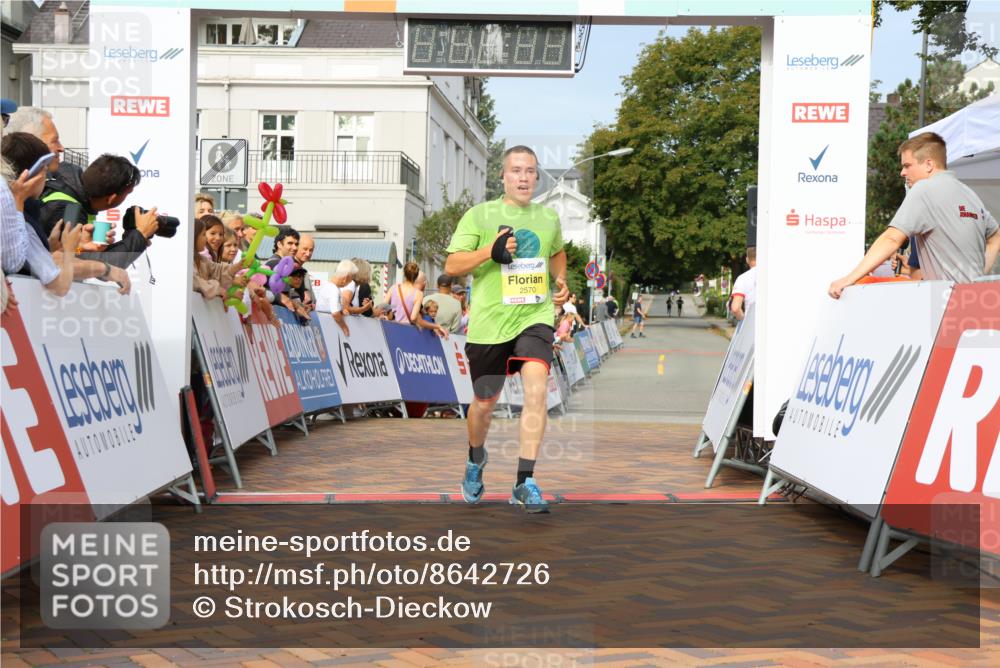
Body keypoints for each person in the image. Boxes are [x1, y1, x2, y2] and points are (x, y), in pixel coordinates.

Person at [444, 144, 569, 513]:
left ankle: (524, 481)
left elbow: (556, 252)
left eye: (530, 171)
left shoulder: (548, 218)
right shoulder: (479, 215)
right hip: (490, 324)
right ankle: (475, 458)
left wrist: (560, 279)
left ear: (537, 176)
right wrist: (490, 250)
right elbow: (452, 266)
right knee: (484, 405)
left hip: (534, 316)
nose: (523, 178)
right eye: (516, 170)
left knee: (537, 391)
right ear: (502, 176)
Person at [829, 132, 1000, 298]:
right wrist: (978, 275)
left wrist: (849, 279)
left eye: (907, 165)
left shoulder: (924, 189)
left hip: (946, 302)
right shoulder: (970, 194)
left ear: (928, 165)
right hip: (975, 299)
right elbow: (996, 236)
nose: (902, 173)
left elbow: (891, 239)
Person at [39, 153, 158, 268]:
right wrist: (140, 234)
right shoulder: (69, 212)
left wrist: (132, 239)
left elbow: (78, 252)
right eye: (127, 193)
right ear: (111, 198)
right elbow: (94, 266)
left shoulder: (69, 184)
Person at [315, 259, 356, 337]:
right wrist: (344, 327)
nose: (348, 284)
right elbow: (335, 313)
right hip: (327, 329)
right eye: (349, 281)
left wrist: (341, 311)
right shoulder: (333, 289)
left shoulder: (329, 286)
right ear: (345, 278)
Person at [730, 247, 756, 321]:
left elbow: (735, 308)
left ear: (747, 260)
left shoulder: (743, 278)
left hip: (751, 324)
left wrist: (743, 321)